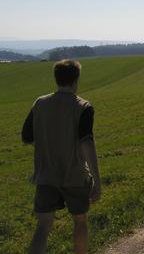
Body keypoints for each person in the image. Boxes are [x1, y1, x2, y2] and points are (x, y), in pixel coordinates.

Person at [21, 59, 101, 254]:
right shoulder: (83, 106)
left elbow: (27, 137)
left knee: (43, 225)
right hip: (75, 176)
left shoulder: (40, 103)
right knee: (80, 221)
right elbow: (86, 143)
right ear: (76, 80)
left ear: (56, 79)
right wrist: (97, 181)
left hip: (46, 176)